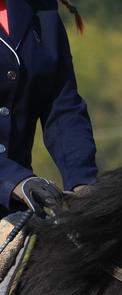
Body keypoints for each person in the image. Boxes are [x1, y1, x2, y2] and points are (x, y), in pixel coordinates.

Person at [0, 0, 96, 219]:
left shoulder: (42, 9)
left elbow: (62, 107)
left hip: (15, 208)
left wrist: (82, 181)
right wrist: (12, 179)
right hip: (16, 186)